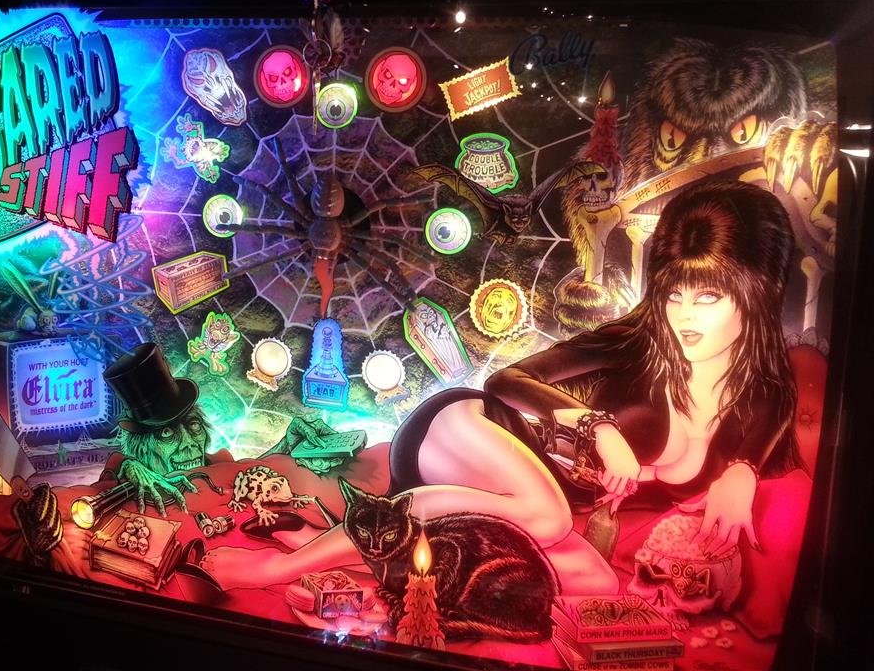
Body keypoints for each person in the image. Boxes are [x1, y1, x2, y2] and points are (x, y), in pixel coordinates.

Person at [202, 179, 799, 591]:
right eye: (673, 293)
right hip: (466, 431)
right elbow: (507, 379)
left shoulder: (766, 397)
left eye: (708, 296)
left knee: (595, 580)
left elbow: (752, 461)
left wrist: (741, 473)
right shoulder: (634, 342)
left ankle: (318, 542)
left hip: (505, 506)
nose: (684, 316)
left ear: (759, 293)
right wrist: (596, 426)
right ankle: (271, 571)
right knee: (549, 519)